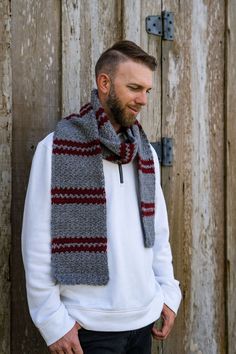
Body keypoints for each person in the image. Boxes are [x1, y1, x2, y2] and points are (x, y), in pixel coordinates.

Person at [22, 40, 182, 354]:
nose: (143, 100)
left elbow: (158, 236)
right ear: (104, 83)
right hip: (87, 331)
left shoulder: (145, 153)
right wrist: (53, 322)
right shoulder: (56, 149)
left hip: (144, 321)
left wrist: (168, 294)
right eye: (135, 87)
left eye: (147, 90)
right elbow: (37, 243)